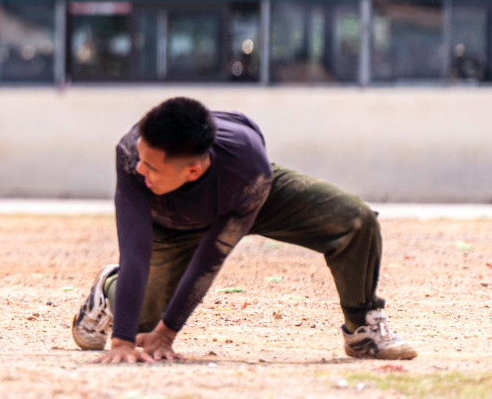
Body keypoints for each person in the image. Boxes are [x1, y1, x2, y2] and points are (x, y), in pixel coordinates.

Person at [71, 96, 417, 362]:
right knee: (142, 321)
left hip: (244, 196)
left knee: (353, 219)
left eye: (151, 167)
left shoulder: (249, 170)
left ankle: (363, 328)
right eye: (139, 160)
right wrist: (124, 340)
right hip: (172, 222)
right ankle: (110, 288)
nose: (138, 169)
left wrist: (168, 333)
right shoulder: (132, 156)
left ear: (192, 170)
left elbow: (211, 258)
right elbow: (135, 250)